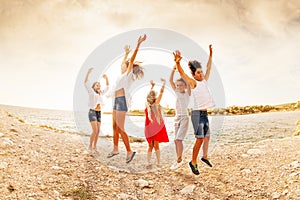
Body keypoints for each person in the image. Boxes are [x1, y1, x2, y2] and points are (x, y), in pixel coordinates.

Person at [173, 45, 214, 175]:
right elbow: (182, 73)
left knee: (207, 136)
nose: (201, 74)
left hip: (204, 113)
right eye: (198, 73)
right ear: (193, 74)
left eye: (201, 72)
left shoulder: (204, 80)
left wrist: (211, 54)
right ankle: (193, 162)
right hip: (197, 114)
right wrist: (178, 63)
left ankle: (204, 157)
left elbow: (209, 67)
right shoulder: (193, 83)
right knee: (199, 139)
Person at [108, 34, 146, 163]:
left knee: (120, 128)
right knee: (114, 126)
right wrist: (126, 53)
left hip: (122, 102)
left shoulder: (128, 74)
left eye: (124, 64)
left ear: (128, 66)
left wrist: (138, 44)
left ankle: (129, 151)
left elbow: (132, 58)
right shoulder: (122, 74)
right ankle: (115, 149)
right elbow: (122, 63)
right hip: (115, 101)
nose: (122, 65)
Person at [169, 65, 191, 169]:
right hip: (177, 117)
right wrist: (173, 70)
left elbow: (188, 82)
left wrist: (182, 72)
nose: (178, 87)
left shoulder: (187, 93)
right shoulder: (177, 92)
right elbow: (170, 81)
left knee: (178, 140)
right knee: (175, 140)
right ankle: (178, 159)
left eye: (181, 85)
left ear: (185, 86)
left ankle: (179, 159)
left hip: (184, 117)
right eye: (177, 85)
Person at [145, 79, 169, 167]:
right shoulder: (147, 105)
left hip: (155, 127)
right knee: (151, 145)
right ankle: (148, 162)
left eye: (152, 95)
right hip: (149, 127)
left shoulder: (156, 103)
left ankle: (158, 162)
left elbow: (161, 93)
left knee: (156, 145)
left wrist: (164, 84)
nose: (151, 96)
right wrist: (152, 86)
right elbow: (148, 95)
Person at [84, 67, 109, 153]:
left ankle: (95, 146)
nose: (99, 86)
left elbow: (107, 87)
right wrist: (88, 72)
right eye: (97, 85)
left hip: (99, 112)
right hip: (92, 112)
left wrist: (106, 79)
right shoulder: (91, 92)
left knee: (98, 131)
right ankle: (90, 147)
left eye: (99, 84)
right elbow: (86, 82)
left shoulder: (101, 93)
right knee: (94, 130)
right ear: (94, 87)